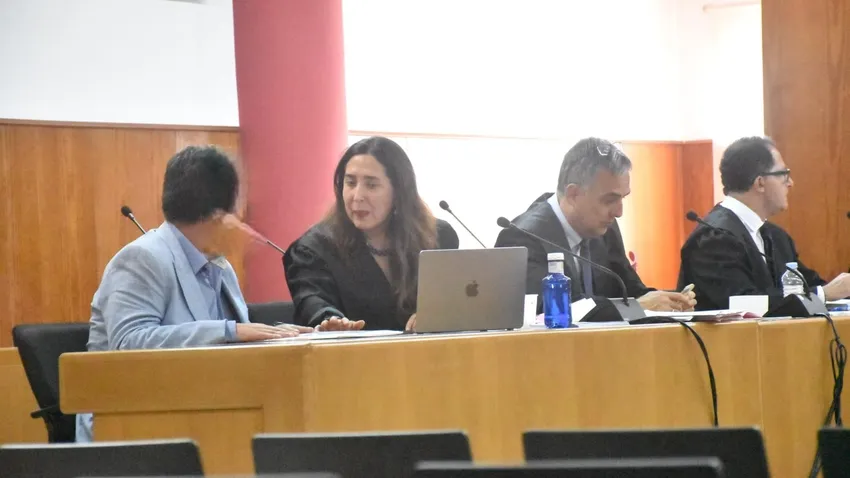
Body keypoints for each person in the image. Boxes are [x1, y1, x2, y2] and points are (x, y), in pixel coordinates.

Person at [76, 145, 311, 442]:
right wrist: (230, 331)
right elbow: (129, 343)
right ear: (220, 215)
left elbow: (231, 346)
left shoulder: (219, 265)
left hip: (209, 415)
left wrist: (281, 336)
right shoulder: (142, 258)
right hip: (133, 429)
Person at [495, 137, 696, 312]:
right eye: (610, 200)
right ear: (573, 194)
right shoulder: (523, 238)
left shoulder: (603, 226)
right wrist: (636, 307)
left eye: (622, 199)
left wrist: (670, 301)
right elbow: (551, 311)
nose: (619, 212)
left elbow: (631, 291)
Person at [284, 136, 459, 331]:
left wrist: (436, 313)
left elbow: (455, 297)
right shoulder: (312, 249)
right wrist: (332, 322)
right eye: (350, 183)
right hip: (351, 349)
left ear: (399, 191)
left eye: (371, 185)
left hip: (431, 349)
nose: (357, 196)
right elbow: (312, 302)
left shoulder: (438, 236)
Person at [679, 136, 850, 310]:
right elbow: (741, 304)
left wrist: (839, 290)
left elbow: (810, 285)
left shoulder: (777, 237)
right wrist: (823, 294)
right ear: (760, 183)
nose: (790, 183)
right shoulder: (714, 238)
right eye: (783, 175)